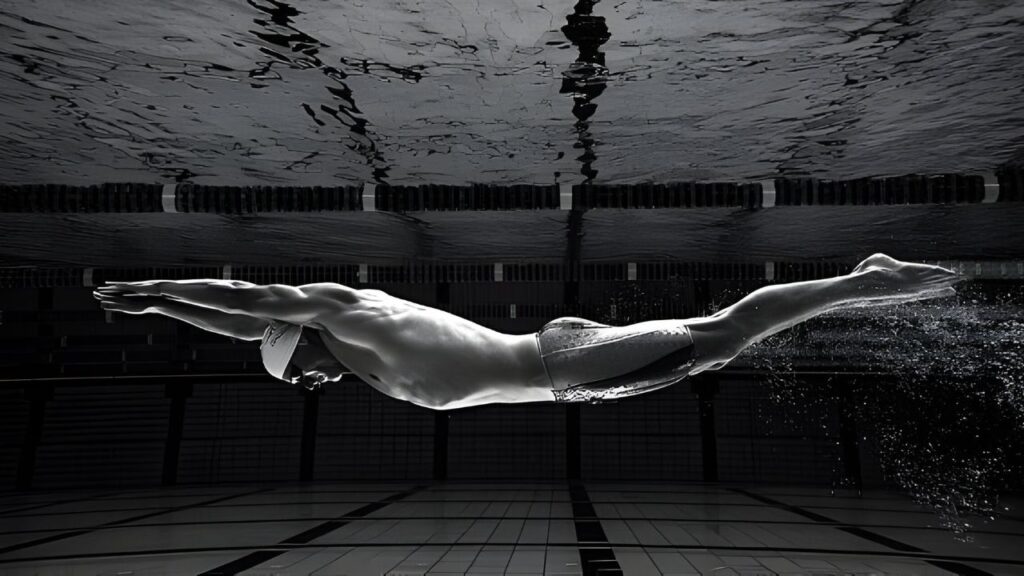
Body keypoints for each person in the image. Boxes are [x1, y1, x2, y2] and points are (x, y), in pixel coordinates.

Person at [94, 253, 958, 410]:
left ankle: (864, 281)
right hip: (568, 378)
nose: (312, 387)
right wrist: (172, 313)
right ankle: (860, 285)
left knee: (726, 334)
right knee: (719, 347)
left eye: (301, 375)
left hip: (560, 362)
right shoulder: (351, 363)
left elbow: (255, 303)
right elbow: (243, 327)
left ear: (303, 340)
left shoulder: (347, 313)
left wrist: (164, 285)